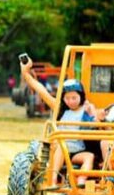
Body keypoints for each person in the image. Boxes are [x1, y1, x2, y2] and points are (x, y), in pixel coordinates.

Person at [20, 57, 97, 187]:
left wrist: (91, 114)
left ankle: (81, 181)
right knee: (62, 147)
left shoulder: (87, 108)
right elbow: (41, 91)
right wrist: (26, 73)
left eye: (74, 98)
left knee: (89, 156)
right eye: (67, 98)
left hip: (77, 152)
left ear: (81, 97)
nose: (71, 101)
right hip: (62, 149)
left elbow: (97, 122)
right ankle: (53, 181)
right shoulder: (59, 108)